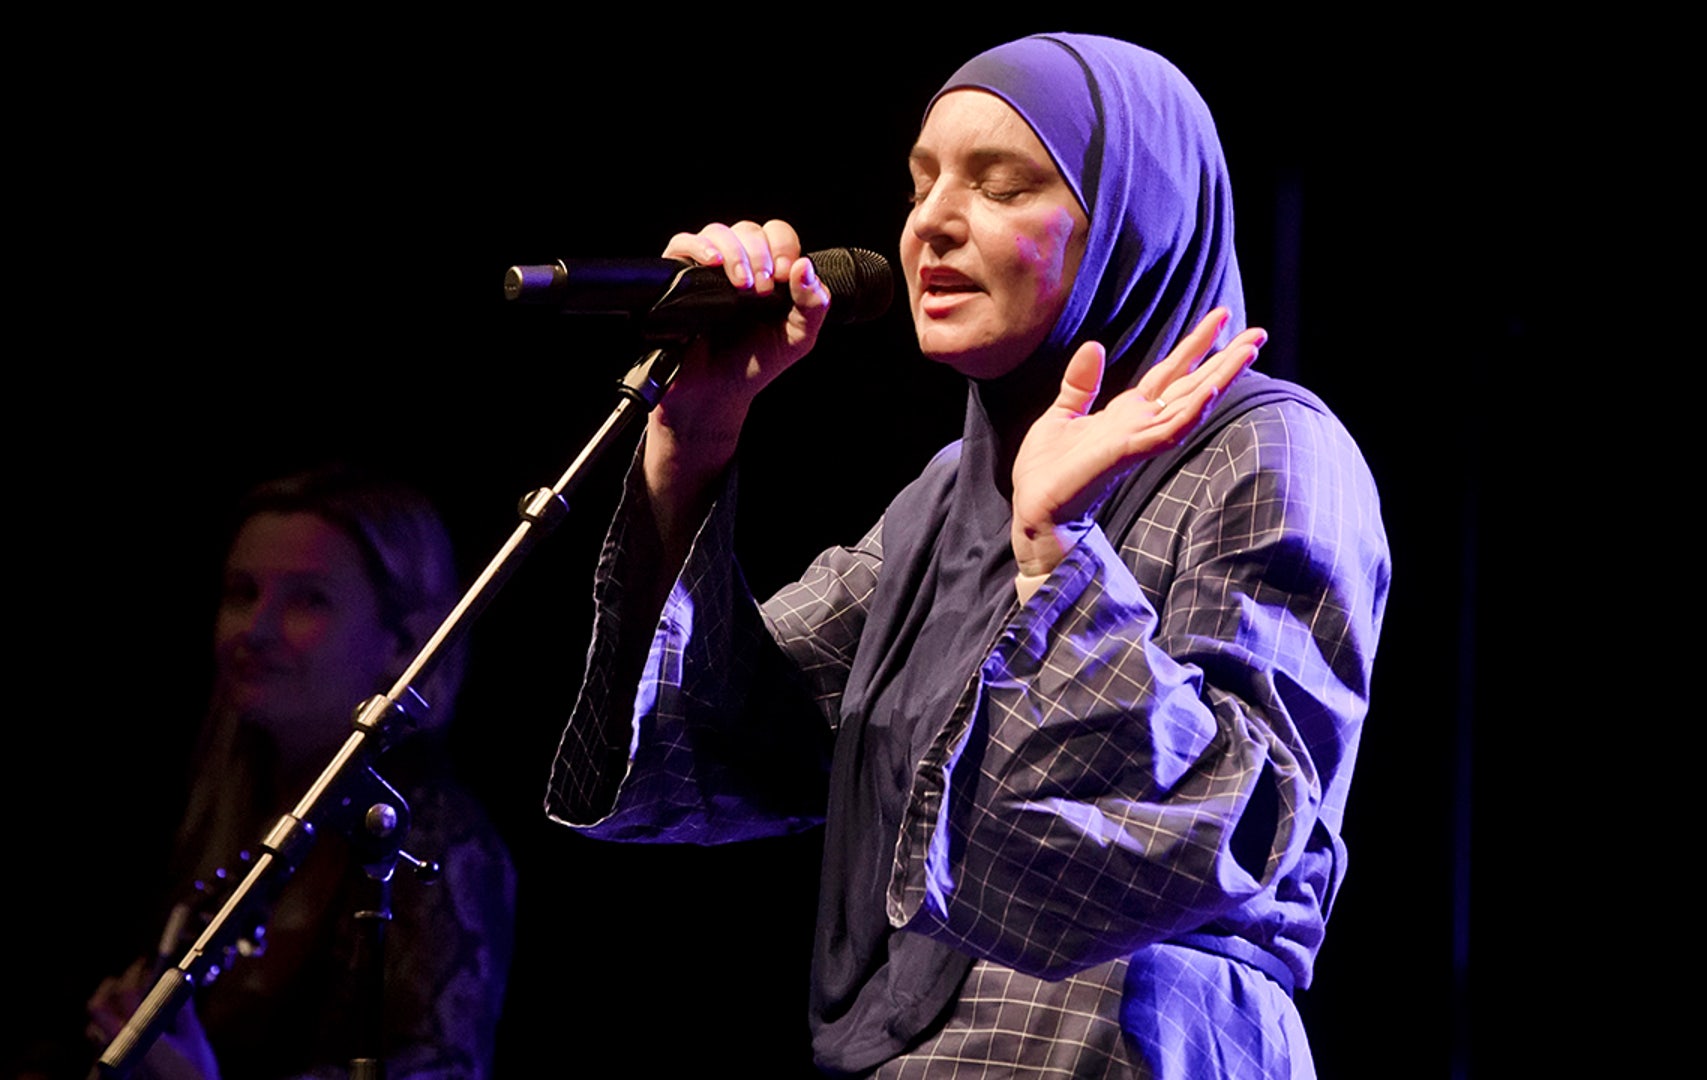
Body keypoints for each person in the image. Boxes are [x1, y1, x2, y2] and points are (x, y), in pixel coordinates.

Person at [546, 33, 1389, 1078]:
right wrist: (697, 438)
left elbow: (1234, 826)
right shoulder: (950, 496)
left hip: (1139, 1047)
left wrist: (1058, 555)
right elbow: (729, 745)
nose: (931, 223)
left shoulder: (1269, 449)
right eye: (920, 184)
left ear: (1136, 219)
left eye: (1000, 185)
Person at [88, 469, 516, 1079]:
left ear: (404, 643)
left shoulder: (431, 838)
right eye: (242, 593)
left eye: (308, 599)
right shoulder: (216, 806)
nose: (254, 630)